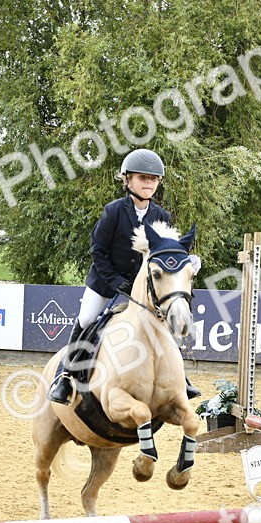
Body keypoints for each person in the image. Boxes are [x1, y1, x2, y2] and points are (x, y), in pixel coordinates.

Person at [47, 148, 200, 405]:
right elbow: (98, 251)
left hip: (144, 287)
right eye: (142, 178)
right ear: (127, 180)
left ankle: (180, 379)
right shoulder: (114, 211)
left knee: (164, 325)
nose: (148, 183)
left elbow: (164, 255)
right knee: (86, 319)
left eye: (153, 179)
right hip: (106, 281)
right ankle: (66, 376)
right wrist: (117, 283)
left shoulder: (161, 216)